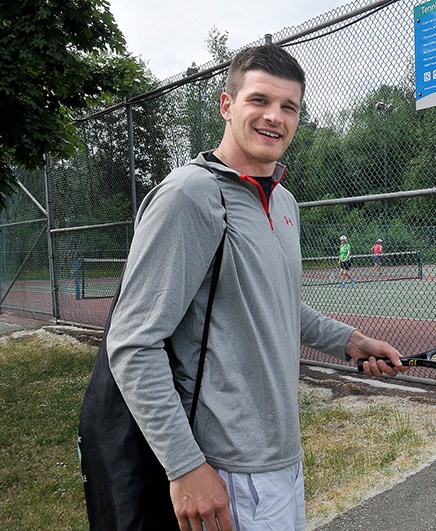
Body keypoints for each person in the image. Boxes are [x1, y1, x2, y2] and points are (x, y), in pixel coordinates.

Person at [105, 44, 405, 531]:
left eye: (289, 107)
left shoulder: (284, 202)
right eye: (259, 101)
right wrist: (185, 466)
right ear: (227, 106)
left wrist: (351, 341)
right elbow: (133, 342)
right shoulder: (191, 196)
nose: (275, 117)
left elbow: (276, 303)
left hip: (281, 454)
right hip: (222, 465)